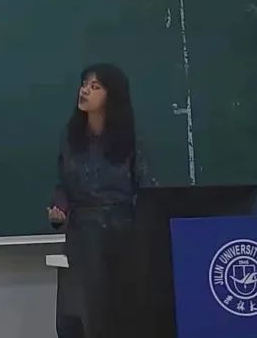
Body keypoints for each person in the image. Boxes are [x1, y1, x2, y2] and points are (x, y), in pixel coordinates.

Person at [47, 63, 156, 338]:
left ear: (112, 96)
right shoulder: (70, 137)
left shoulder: (130, 138)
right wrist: (59, 209)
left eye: (95, 87)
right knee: (75, 316)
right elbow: (63, 185)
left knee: (116, 314)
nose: (85, 90)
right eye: (84, 84)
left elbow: (146, 188)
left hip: (122, 234)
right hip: (82, 236)